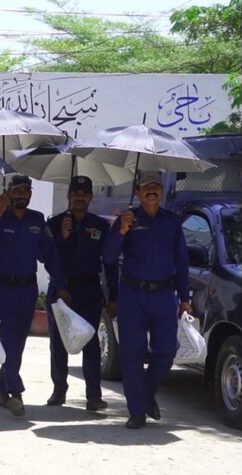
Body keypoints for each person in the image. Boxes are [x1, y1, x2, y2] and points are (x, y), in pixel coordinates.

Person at [102, 171, 192, 429]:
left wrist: (185, 298)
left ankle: (145, 394)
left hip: (164, 295)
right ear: (139, 192)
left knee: (166, 351)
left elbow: (182, 261)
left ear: (161, 192)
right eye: (146, 187)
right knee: (131, 354)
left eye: (156, 186)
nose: (151, 190)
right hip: (133, 295)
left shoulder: (172, 222)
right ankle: (137, 411)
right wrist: (121, 231)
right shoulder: (126, 219)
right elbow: (108, 257)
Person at [0, 174, 70, 417]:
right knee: (8, 340)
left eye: (26, 191)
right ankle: (16, 392)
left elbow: (49, 254)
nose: (22, 195)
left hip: (27, 289)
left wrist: (60, 284)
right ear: (9, 192)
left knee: (18, 343)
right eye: (17, 190)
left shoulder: (37, 220)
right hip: (2, 289)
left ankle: (2, 389)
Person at [45, 176, 119, 411]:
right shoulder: (55, 223)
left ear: (90, 197)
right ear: (68, 196)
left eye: (84, 193)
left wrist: (113, 296)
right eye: (75, 193)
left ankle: (93, 396)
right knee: (58, 343)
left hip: (88, 289)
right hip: (60, 288)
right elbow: (47, 258)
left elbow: (109, 263)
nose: (79, 197)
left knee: (91, 343)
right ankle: (59, 390)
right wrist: (63, 237)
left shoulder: (100, 225)